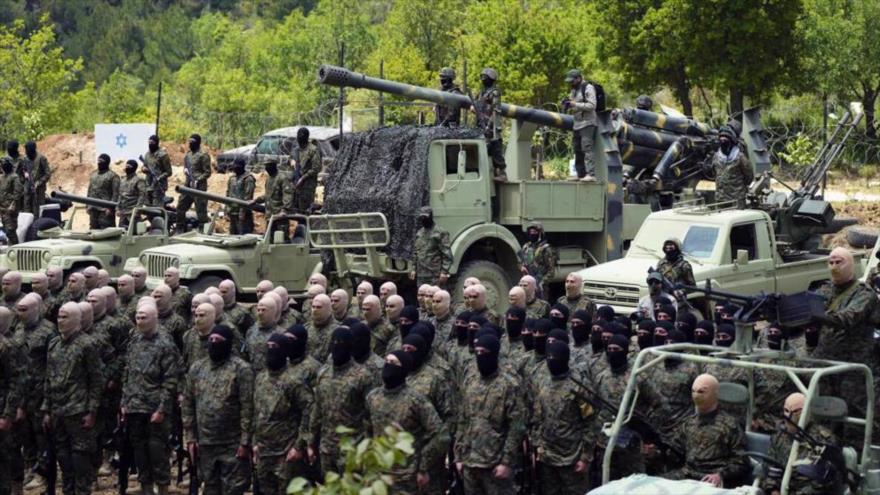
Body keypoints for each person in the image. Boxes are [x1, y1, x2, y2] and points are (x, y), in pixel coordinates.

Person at [813, 247, 879, 445]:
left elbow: (848, 317)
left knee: (855, 420)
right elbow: (808, 306)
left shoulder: (864, 294)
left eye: (839, 262)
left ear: (851, 265)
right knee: (823, 417)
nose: (834, 267)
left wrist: (816, 315)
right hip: (826, 367)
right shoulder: (824, 290)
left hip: (854, 370)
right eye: (831, 262)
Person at [182, 324, 254, 495]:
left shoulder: (241, 369)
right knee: (210, 488)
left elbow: (248, 407)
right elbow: (188, 404)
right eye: (211, 339)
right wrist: (190, 437)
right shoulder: (197, 368)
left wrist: (245, 442)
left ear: (228, 343)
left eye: (218, 340)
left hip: (232, 443)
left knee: (233, 489)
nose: (213, 343)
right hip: (205, 443)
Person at [42, 302, 104, 495]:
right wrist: (46, 408)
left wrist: (92, 411)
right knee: (63, 458)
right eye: (59, 317)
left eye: (65, 317)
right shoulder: (53, 344)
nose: (60, 321)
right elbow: (49, 377)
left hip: (78, 411)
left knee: (80, 459)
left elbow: (96, 380)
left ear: (77, 319)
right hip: (58, 410)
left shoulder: (87, 344)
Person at [121, 304, 180, 495]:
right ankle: (145, 485)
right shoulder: (134, 341)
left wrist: (161, 409)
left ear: (154, 318)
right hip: (134, 407)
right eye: (138, 317)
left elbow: (170, 379)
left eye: (144, 317)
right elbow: (128, 373)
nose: (140, 321)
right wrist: (124, 402)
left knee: (157, 450)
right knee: (139, 450)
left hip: (155, 408)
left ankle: (162, 486)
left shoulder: (165, 344)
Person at [455, 333, 525, 494]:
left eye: (484, 353)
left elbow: (517, 426)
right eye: (477, 352)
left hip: (495, 464)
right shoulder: (470, 381)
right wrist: (459, 456)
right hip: (470, 462)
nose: (480, 356)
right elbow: (463, 419)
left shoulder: (509, 385)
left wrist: (506, 462)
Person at [308, 327, 375, 475]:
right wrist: (311, 442)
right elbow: (317, 410)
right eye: (334, 342)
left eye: (342, 342)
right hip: (327, 448)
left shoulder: (363, 376)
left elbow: (371, 415)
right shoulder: (323, 374)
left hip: (353, 449)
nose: (337, 346)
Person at [532, 340, 597, 493]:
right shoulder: (542, 382)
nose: (551, 361)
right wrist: (538, 446)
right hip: (547, 456)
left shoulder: (578, 386)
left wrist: (585, 457)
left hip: (572, 458)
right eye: (548, 357)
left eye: (555, 358)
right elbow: (537, 417)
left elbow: (591, 422)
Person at [252, 333, 313, 494]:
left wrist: (299, 446)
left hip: (286, 454)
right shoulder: (260, 378)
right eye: (269, 347)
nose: (271, 350)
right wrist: (254, 443)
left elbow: (309, 410)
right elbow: (256, 411)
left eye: (276, 347)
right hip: (264, 452)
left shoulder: (293, 381)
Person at [665, 374, 749, 487]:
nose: (696, 395)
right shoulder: (688, 423)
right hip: (687, 475)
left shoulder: (730, 425)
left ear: (715, 393)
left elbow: (741, 461)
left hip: (712, 479)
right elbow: (675, 451)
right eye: (693, 391)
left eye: (701, 391)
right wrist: (655, 451)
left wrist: (720, 475)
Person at [760, 392, 841, 495]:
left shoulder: (823, 440)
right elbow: (770, 470)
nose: (788, 417)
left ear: (806, 412)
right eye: (786, 411)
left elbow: (824, 480)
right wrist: (773, 490)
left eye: (795, 412)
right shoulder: (778, 437)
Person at [0, 306, 25, 495]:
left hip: (1, 409)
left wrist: (8, 413)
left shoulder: (7, 347)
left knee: (4, 455)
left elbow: (16, 382)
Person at [562, 69, 597, 181]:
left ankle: (591, 174)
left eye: (572, 80)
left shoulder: (588, 87)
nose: (570, 83)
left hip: (587, 123)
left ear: (578, 78)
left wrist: (575, 104)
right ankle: (580, 174)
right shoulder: (574, 90)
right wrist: (567, 104)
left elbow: (592, 105)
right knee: (577, 149)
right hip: (577, 123)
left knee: (587, 148)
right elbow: (573, 103)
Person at [473, 68, 507, 181]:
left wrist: (489, 126)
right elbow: (474, 106)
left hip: (490, 125)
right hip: (480, 124)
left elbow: (495, 111)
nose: (483, 79)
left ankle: (501, 173)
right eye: (482, 77)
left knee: (495, 146)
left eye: (485, 77)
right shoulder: (481, 92)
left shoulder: (494, 92)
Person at [711, 125, 754, 208]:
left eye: (726, 138)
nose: (723, 141)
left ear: (732, 140)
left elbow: (749, 177)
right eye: (721, 138)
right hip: (721, 200)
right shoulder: (716, 157)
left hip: (737, 201)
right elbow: (714, 174)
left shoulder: (740, 157)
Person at [177, 133, 212, 232]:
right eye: (190, 142)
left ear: (198, 143)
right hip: (187, 186)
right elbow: (186, 167)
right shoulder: (188, 155)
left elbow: (208, 172)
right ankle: (179, 227)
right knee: (180, 206)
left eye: (193, 142)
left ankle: (203, 229)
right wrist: (185, 170)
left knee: (200, 210)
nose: (190, 144)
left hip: (199, 187)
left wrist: (198, 179)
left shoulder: (203, 155)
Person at [410, 206, 453, 287]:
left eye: (425, 217)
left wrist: (444, 272)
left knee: (436, 297)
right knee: (422, 297)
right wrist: (413, 269)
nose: (423, 219)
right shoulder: (420, 233)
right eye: (421, 217)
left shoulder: (440, 232)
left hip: (435, 274)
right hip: (421, 274)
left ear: (431, 216)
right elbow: (416, 252)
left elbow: (447, 254)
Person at [243, 297, 285, 372]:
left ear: (273, 311)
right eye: (258, 310)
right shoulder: (250, 331)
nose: (260, 313)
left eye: (263, 310)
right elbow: (245, 354)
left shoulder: (281, 334)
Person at [518, 222, 556, 296]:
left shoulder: (545, 249)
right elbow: (519, 262)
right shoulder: (526, 247)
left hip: (540, 286)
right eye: (531, 232)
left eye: (535, 232)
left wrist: (541, 282)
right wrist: (521, 267)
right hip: (527, 284)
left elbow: (551, 272)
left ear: (540, 233)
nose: (532, 234)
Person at [291, 127, 322, 214]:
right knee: (295, 209)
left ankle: (306, 226)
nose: (299, 139)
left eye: (301, 137)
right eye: (298, 137)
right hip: (296, 184)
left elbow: (316, 168)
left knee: (305, 209)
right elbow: (290, 160)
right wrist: (291, 162)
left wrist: (303, 178)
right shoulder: (296, 150)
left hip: (307, 185)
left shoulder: (313, 150)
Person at [87, 153, 121, 230]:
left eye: (101, 161)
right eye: (98, 160)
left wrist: (111, 208)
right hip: (93, 208)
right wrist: (88, 205)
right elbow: (90, 190)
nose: (99, 162)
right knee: (93, 230)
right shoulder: (93, 174)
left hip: (105, 210)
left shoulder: (113, 176)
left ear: (107, 162)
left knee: (107, 231)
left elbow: (116, 194)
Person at [226, 157, 256, 235]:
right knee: (232, 235)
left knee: (243, 236)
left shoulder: (248, 179)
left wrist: (242, 213)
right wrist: (227, 209)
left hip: (244, 215)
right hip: (233, 212)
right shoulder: (232, 178)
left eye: (236, 167)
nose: (234, 169)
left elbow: (248, 197)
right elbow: (228, 194)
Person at [22, 140, 52, 215]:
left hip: (38, 191)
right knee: (27, 212)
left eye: (28, 151)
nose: (26, 152)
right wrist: (25, 173)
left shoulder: (41, 158)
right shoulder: (25, 159)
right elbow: (23, 169)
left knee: (38, 212)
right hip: (27, 190)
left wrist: (38, 183)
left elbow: (48, 174)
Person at [142, 134, 172, 207]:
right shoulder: (147, 154)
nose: (150, 144)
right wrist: (144, 169)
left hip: (159, 186)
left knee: (157, 208)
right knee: (148, 206)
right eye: (149, 142)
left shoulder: (163, 155)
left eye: (152, 143)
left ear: (156, 143)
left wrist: (159, 177)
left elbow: (169, 172)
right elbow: (144, 166)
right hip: (148, 184)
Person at [0, 155, 24, 245]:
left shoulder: (14, 177)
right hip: (2, 208)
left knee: (10, 230)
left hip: (11, 209)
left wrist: (13, 205)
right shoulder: (1, 178)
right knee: (6, 230)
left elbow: (18, 192)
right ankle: (12, 247)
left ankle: (16, 248)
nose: (2, 165)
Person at [117, 159, 148, 229]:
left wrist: (137, 209)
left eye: (129, 166)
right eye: (126, 166)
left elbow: (142, 195)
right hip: (123, 213)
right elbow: (120, 195)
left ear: (134, 168)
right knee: (121, 233)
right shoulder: (123, 179)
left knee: (134, 234)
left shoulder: (139, 180)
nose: (127, 168)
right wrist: (118, 208)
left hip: (133, 213)